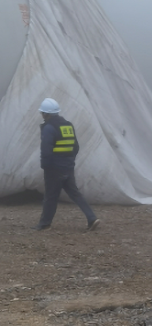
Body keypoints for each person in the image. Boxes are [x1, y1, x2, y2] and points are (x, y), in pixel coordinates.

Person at [35, 98, 100, 232]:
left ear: (46, 114)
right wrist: (69, 161)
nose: (42, 115)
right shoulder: (68, 125)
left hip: (54, 168)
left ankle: (44, 224)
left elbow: (46, 150)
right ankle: (92, 218)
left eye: (42, 113)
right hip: (68, 167)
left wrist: (45, 166)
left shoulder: (48, 128)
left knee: (50, 196)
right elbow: (75, 147)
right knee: (75, 194)